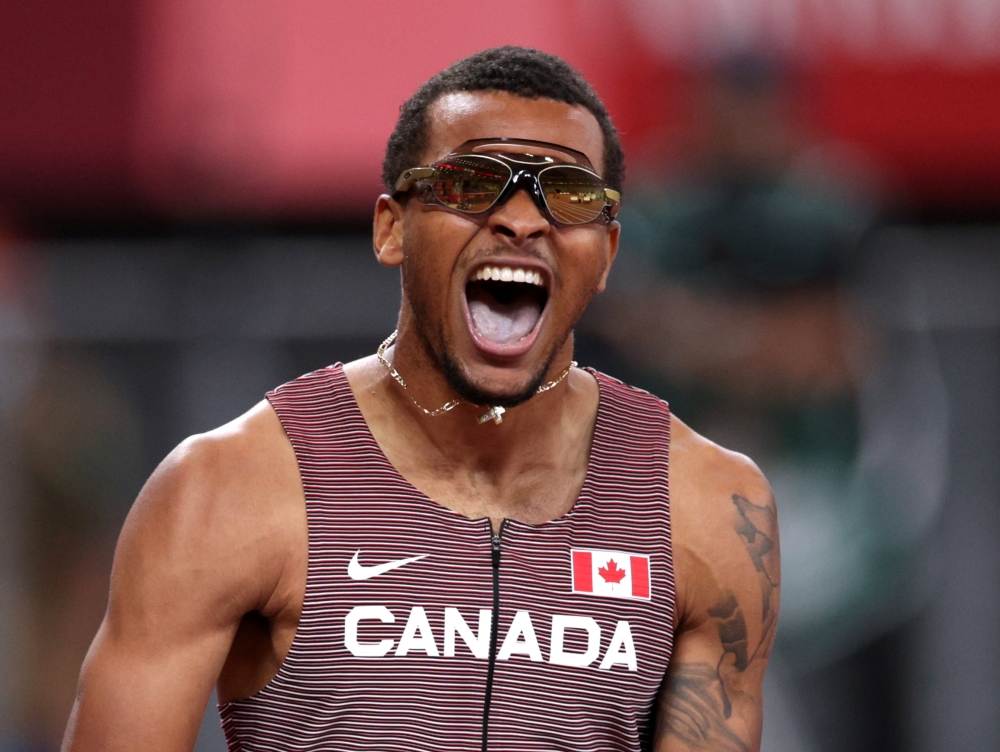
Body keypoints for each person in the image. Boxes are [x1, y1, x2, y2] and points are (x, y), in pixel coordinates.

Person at [62, 47, 779, 752]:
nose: (523, 221)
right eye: (472, 183)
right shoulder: (228, 489)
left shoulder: (704, 503)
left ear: (608, 255)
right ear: (391, 228)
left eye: (568, 193)